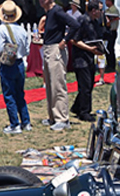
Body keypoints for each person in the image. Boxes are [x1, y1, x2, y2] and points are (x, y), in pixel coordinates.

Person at [39, 0, 78, 131]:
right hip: (49, 48)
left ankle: (62, 118)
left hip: (56, 49)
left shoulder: (57, 11)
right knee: (50, 85)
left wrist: (65, 40)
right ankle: (53, 116)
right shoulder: (50, 12)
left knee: (57, 84)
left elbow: (75, 25)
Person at [0, 0, 31, 134]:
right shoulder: (21, 29)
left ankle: (14, 124)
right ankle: (26, 122)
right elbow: (27, 50)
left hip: (8, 65)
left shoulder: (2, 29)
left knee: (9, 94)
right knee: (20, 93)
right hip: (20, 62)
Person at [71, 0, 102, 123]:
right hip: (81, 58)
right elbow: (74, 40)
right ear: (93, 11)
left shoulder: (95, 22)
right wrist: (90, 49)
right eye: (100, 10)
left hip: (90, 58)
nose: (101, 12)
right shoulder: (82, 20)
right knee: (85, 87)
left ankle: (77, 107)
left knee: (89, 84)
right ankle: (84, 112)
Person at [103, 0, 118, 71]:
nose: (105, 2)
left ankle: (112, 65)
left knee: (110, 49)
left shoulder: (113, 10)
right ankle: (109, 64)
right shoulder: (108, 10)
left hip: (112, 31)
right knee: (108, 48)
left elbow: (110, 20)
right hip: (108, 32)